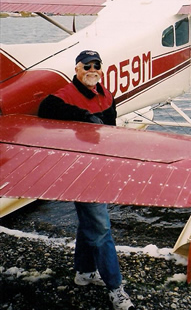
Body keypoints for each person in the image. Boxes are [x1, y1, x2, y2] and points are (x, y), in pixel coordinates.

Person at [38, 50, 134, 310]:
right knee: (101, 229)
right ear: (77, 70)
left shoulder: (106, 94)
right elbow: (46, 107)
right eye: (86, 66)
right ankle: (116, 288)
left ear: (101, 69)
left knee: (89, 223)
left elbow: (111, 131)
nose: (92, 70)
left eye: (96, 65)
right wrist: (85, 118)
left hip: (100, 166)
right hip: (79, 170)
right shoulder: (65, 95)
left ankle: (84, 272)